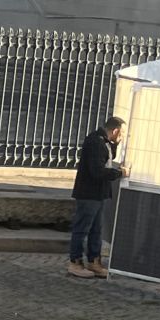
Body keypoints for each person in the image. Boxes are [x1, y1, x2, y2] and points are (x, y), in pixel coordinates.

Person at [68, 115, 129, 278]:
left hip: (98, 193)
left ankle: (94, 261)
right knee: (82, 228)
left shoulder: (105, 142)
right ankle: (75, 262)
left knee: (96, 230)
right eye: (122, 133)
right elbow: (98, 170)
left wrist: (115, 144)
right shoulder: (95, 141)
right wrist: (119, 173)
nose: (122, 136)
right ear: (115, 131)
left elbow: (108, 158)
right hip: (89, 193)